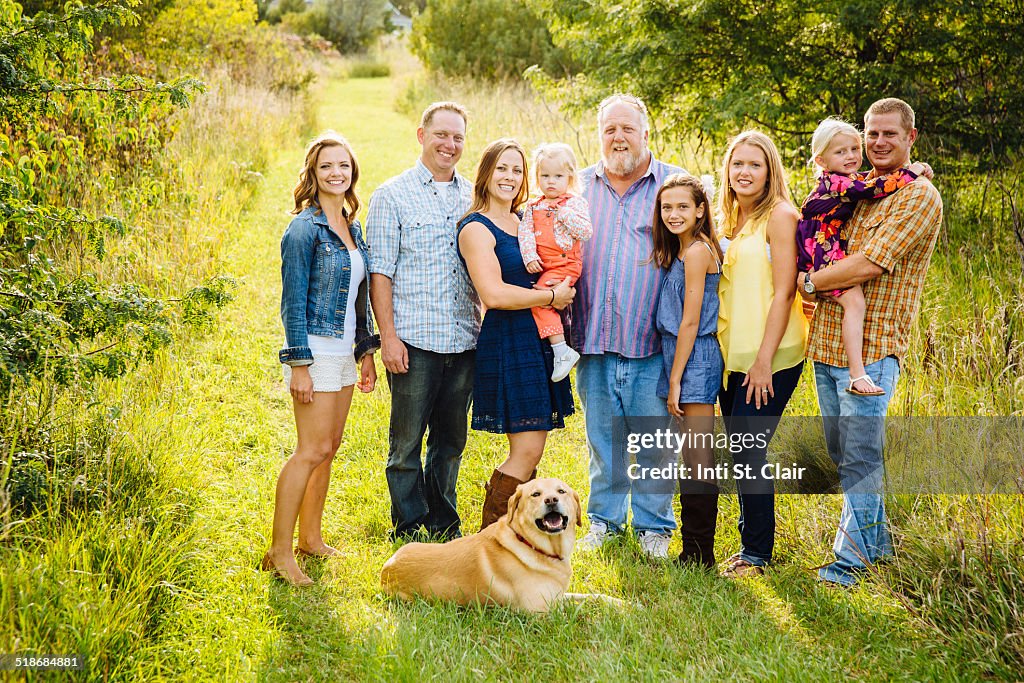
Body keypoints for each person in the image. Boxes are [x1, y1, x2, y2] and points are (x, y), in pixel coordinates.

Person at [798, 98, 943, 587]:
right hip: (828, 344)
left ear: (910, 137)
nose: (878, 143)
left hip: (874, 348)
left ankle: (848, 562)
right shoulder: (861, 190)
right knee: (845, 455)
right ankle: (877, 547)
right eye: (871, 135)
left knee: (860, 455)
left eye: (890, 135)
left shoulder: (918, 197)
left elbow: (868, 264)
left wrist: (810, 282)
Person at [264, 131, 379, 586]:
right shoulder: (302, 229)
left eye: (343, 166)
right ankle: (278, 551)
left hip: (344, 350)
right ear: (313, 173)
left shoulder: (353, 225)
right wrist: (299, 365)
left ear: (352, 173)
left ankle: (310, 538)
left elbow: (358, 298)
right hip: (314, 350)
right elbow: (292, 301)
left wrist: (365, 352)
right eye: (327, 166)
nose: (336, 173)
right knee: (309, 450)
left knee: (328, 450)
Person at [575, 94, 685, 560]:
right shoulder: (577, 187)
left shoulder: (674, 185)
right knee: (604, 440)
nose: (618, 138)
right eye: (609, 130)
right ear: (599, 135)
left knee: (656, 442)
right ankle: (604, 520)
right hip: (594, 338)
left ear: (646, 133)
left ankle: (654, 527)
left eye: (627, 128)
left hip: (651, 343)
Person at [366, 102, 479, 541]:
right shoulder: (392, 195)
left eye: (458, 138)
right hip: (414, 341)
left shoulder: (474, 196)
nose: (449, 145)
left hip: (464, 340)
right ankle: (410, 526)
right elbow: (381, 274)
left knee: (450, 445)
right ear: (421, 135)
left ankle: (444, 523)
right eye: (441, 135)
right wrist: (387, 339)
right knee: (406, 445)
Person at [457, 138, 577, 529]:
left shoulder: (526, 218)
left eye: (517, 170)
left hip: (538, 336)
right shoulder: (476, 228)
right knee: (525, 450)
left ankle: (519, 545)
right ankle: (489, 543)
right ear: (486, 173)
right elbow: (493, 293)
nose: (510, 177)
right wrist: (552, 295)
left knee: (534, 447)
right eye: (502, 168)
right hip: (510, 339)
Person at [716, 130, 807, 578]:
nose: (745, 172)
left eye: (754, 164)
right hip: (732, 357)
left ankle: (757, 554)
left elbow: (786, 290)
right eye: (738, 164)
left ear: (770, 169)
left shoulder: (780, 216)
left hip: (769, 355)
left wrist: (763, 361)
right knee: (740, 449)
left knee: (749, 448)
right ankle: (750, 539)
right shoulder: (733, 219)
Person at [797, 117, 930, 397]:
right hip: (820, 246)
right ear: (821, 160)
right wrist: (911, 173)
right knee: (855, 302)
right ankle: (858, 374)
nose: (851, 157)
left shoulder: (847, 179)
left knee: (852, 303)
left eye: (854, 149)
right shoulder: (837, 183)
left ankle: (856, 372)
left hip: (823, 244)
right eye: (840, 152)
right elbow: (873, 189)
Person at [651, 173, 724, 569]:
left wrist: (676, 378)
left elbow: (691, 323)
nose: (674, 214)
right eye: (667, 207)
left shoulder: (697, 252)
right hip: (677, 354)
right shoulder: (679, 250)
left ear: (700, 210)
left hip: (694, 357)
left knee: (698, 456)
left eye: (683, 207)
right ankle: (693, 549)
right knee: (689, 452)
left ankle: (699, 554)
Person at [518, 143, 592, 382]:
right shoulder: (533, 206)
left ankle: (561, 350)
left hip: (565, 264)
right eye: (545, 175)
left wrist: (565, 214)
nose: (551, 181)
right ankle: (558, 347)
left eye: (558, 176)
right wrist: (530, 255)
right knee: (542, 301)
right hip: (545, 265)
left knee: (540, 301)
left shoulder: (573, 203)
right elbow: (525, 232)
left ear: (569, 177)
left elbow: (586, 232)